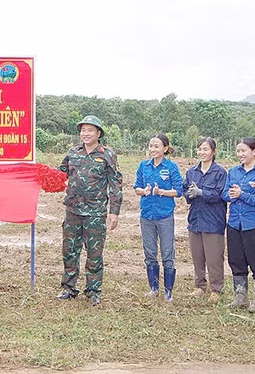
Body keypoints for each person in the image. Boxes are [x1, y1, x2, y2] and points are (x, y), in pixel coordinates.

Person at [56, 115, 123, 306]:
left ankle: (93, 290)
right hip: (73, 211)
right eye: (83, 130)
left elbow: (115, 183)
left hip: (95, 212)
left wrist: (114, 211)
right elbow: (60, 174)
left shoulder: (107, 155)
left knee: (94, 253)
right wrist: (39, 175)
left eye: (90, 130)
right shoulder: (73, 152)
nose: (85, 134)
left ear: (98, 133)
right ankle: (68, 288)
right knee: (69, 251)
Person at [223, 137, 255, 313]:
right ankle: (240, 296)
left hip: (253, 224)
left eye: (244, 151)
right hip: (235, 223)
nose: (240, 154)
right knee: (236, 259)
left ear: (254, 151)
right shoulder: (233, 172)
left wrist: (242, 194)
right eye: (238, 151)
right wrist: (231, 195)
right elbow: (225, 193)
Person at [134, 134, 182, 301]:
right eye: (151, 146)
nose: (153, 149)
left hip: (165, 216)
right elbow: (137, 188)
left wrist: (162, 192)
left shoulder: (171, 167)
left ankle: (168, 292)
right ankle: (154, 288)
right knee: (150, 252)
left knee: (167, 253)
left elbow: (178, 191)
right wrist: (144, 191)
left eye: (157, 146)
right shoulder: (143, 166)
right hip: (147, 214)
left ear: (165, 149)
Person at [183, 137, 228, 302]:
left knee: (214, 257)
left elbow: (221, 194)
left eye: (206, 149)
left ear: (213, 152)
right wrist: (189, 193)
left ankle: (216, 289)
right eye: (200, 149)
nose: (202, 152)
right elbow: (185, 190)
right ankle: (199, 286)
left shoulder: (220, 172)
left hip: (213, 220)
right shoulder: (192, 172)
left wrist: (203, 193)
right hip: (195, 219)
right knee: (197, 256)